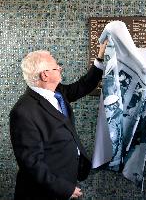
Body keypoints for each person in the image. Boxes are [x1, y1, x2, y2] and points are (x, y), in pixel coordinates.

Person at [9, 42, 107, 200]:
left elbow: (83, 86)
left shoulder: (57, 92)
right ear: (45, 75)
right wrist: (63, 189)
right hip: (44, 192)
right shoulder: (23, 111)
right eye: (56, 67)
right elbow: (31, 162)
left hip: (64, 178)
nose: (60, 68)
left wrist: (100, 57)